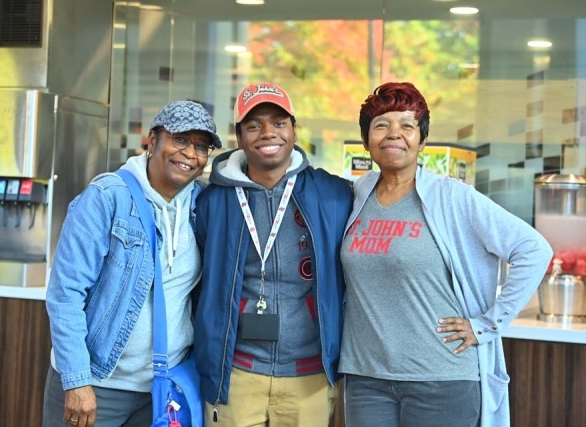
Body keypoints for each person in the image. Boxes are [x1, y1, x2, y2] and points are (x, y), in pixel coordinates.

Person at [338, 82, 553, 427]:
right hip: (367, 377)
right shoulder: (354, 195)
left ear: (422, 141)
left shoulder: (453, 198)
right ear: (366, 141)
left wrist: (487, 324)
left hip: (441, 377)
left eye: (407, 126)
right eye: (381, 125)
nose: (394, 134)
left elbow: (534, 249)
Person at [44, 100, 222, 427]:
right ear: (152, 141)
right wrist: (77, 380)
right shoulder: (106, 197)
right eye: (180, 139)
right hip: (98, 384)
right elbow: (65, 294)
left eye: (201, 146)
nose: (190, 153)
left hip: (165, 387)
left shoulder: (201, 205)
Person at [193, 82, 353, 426]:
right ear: (239, 136)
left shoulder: (335, 195)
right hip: (234, 372)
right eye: (254, 125)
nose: (268, 133)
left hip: (309, 375)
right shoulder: (211, 201)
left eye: (279, 123)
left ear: (295, 131)